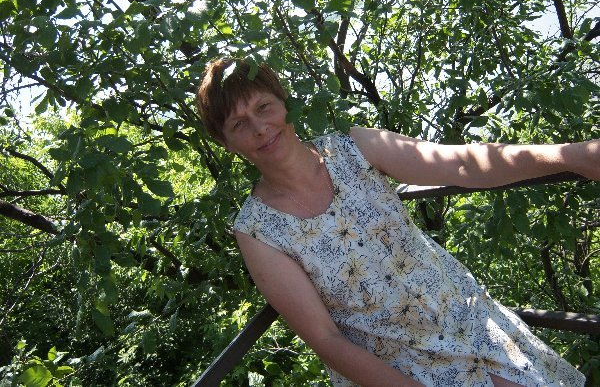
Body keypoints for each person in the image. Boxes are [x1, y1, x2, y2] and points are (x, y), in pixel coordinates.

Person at [195, 58, 596, 387]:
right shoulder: (257, 231)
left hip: (470, 321)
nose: (259, 128)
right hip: (397, 369)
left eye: (263, 107)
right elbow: (327, 340)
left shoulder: (354, 147)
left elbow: (462, 163)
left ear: (285, 104)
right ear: (226, 143)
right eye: (238, 124)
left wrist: (572, 156)